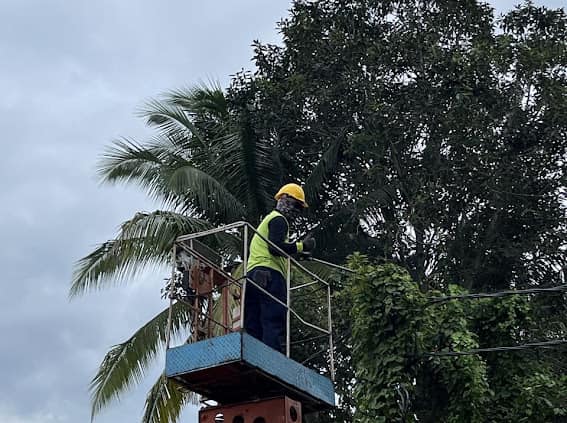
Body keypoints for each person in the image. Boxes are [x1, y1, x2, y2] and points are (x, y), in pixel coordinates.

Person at [244, 183, 316, 352]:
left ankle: (254, 354)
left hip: (253, 275)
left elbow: (275, 247)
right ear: (286, 200)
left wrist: (296, 251)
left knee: (253, 321)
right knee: (273, 318)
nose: (297, 210)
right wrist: (301, 247)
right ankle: (270, 359)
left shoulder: (269, 219)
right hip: (270, 274)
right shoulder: (279, 220)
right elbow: (275, 247)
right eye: (297, 205)